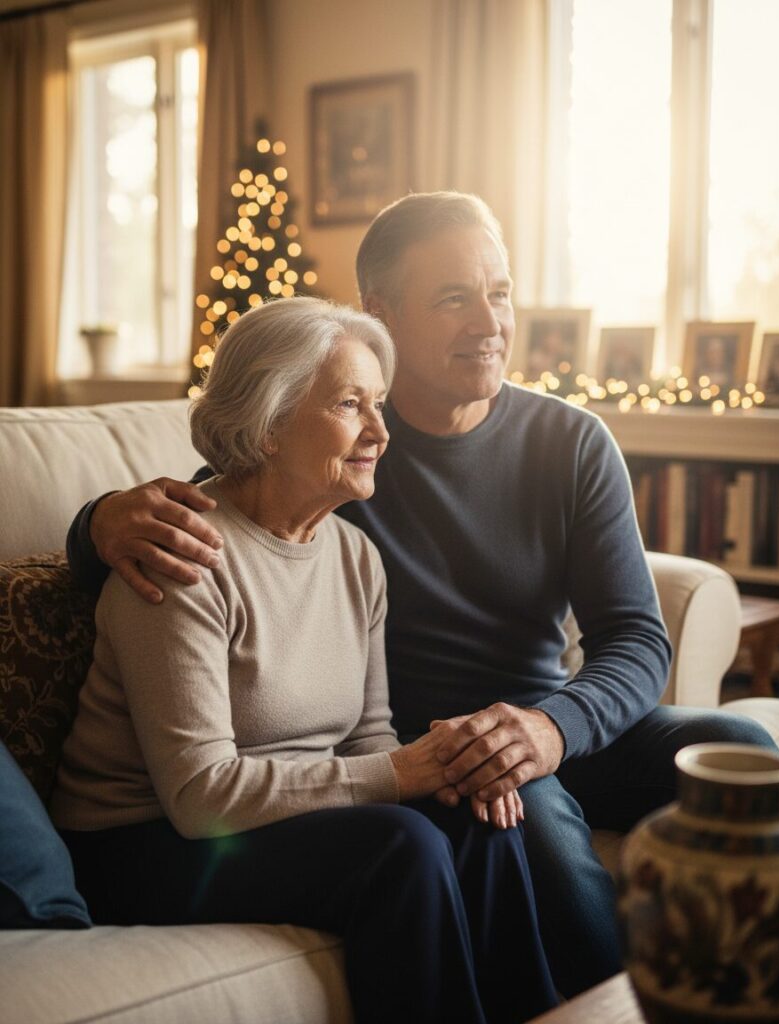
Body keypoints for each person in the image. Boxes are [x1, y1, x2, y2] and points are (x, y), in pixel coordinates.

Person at [66, 192, 779, 998]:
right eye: (453, 298)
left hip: (541, 720)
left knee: (735, 748)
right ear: (381, 311)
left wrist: (553, 727)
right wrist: (95, 525)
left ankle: (749, 994)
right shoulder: (332, 448)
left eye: (499, 293)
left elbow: (638, 639)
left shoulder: (567, 442)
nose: (490, 322)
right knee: (521, 818)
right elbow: (227, 517)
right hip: (430, 742)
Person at [52, 297, 557, 1024]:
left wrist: (451, 773)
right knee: (403, 847)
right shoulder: (181, 555)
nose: (380, 431)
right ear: (268, 423)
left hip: (280, 818)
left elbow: (368, 737)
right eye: (351, 404)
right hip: (141, 842)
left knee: (480, 820)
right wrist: (404, 773)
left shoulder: (356, 556)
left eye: (378, 403)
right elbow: (201, 795)